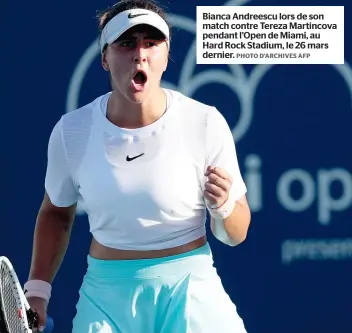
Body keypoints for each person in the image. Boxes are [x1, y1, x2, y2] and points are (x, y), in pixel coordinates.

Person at [25, 0, 251, 332]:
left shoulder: (204, 122)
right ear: (105, 58)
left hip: (190, 286)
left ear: (165, 56)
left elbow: (236, 234)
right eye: (127, 43)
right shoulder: (71, 131)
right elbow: (56, 213)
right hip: (105, 295)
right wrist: (38, 292)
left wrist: (224, 207)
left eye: (151, 43)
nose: (139, 54)